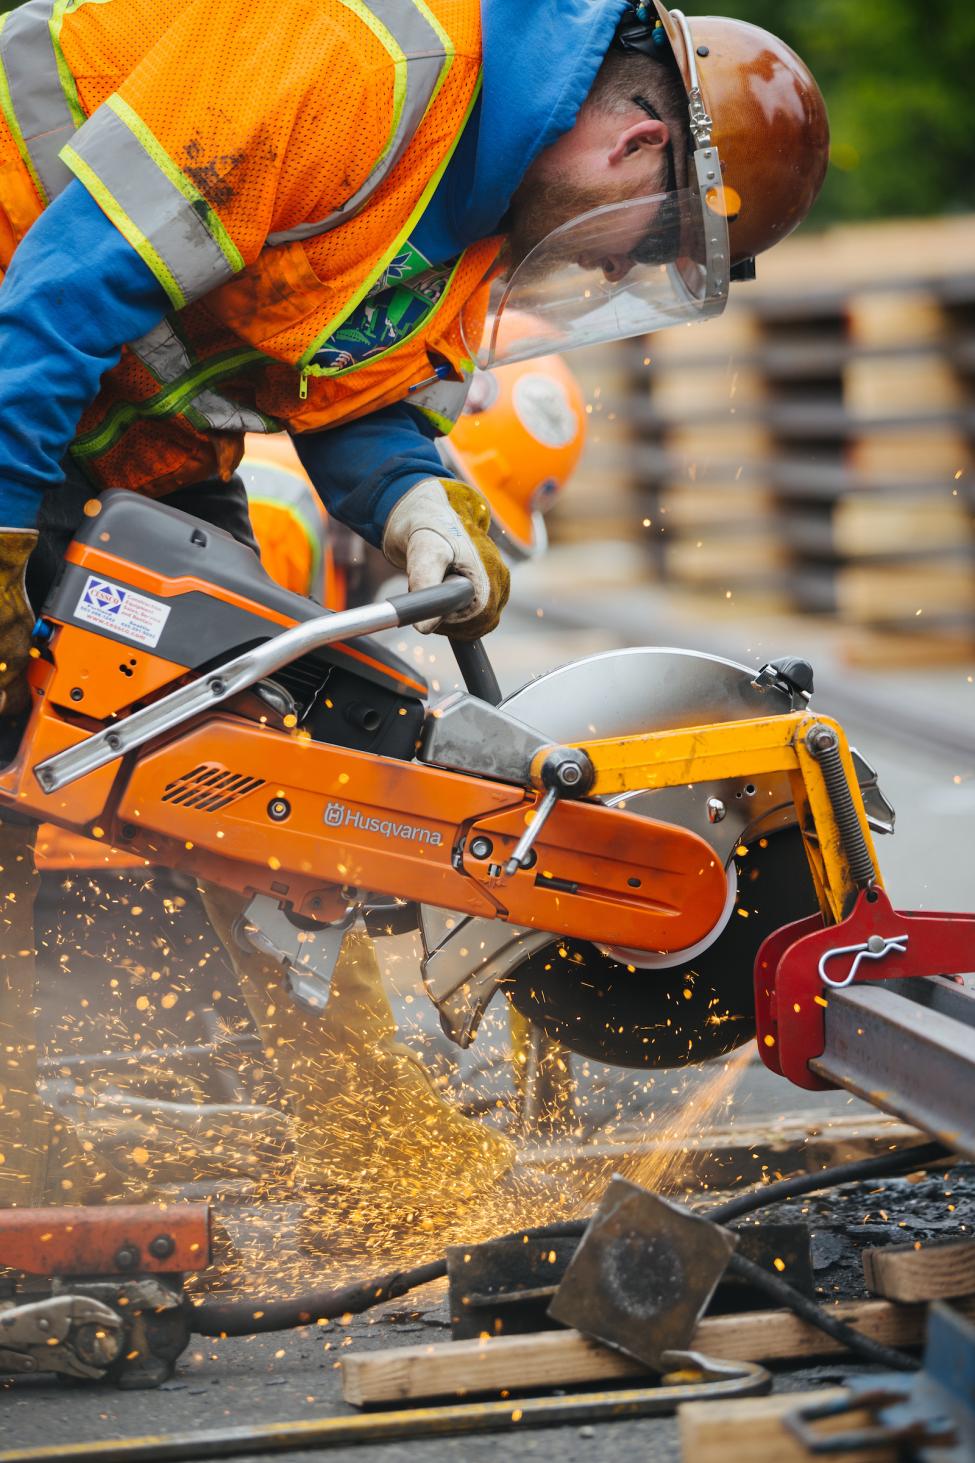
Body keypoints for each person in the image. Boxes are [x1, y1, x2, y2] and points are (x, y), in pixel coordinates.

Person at [0, 0, 830, 1206]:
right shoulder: (361, 59)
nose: (607, 271)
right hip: (23, 361)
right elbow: (60, 295)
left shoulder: (473, 220)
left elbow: (350, 384)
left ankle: (368, 1151)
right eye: (638, 251)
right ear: (642, 151)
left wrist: (412, 497)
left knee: (257, 760)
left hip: (123, 443)